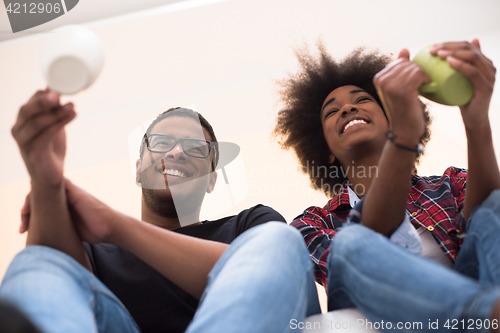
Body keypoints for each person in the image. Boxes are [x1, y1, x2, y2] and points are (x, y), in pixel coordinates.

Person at [0, 90, 320, 333]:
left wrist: (117, 226)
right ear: (138, 169)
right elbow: (48, 266)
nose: (177, 152)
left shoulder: (248, 224)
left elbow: (268, 271)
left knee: (280, 241)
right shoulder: (97, 253)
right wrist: (45, 178)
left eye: (196, 148)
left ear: (211, 181)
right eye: (162, 143)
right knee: (38, 261)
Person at [275, 40, 500, 331]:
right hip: (384, 318)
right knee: (350, 242)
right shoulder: (311, 223)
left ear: (391, 117)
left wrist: (476, 119)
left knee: (492, 205)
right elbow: (361, 259)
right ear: (325, 150)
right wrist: (405, 137)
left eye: (363, 99)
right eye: (331, 112)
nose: (347, 107)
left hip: (474, 288)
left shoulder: (450, 184)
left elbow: (488, 230)